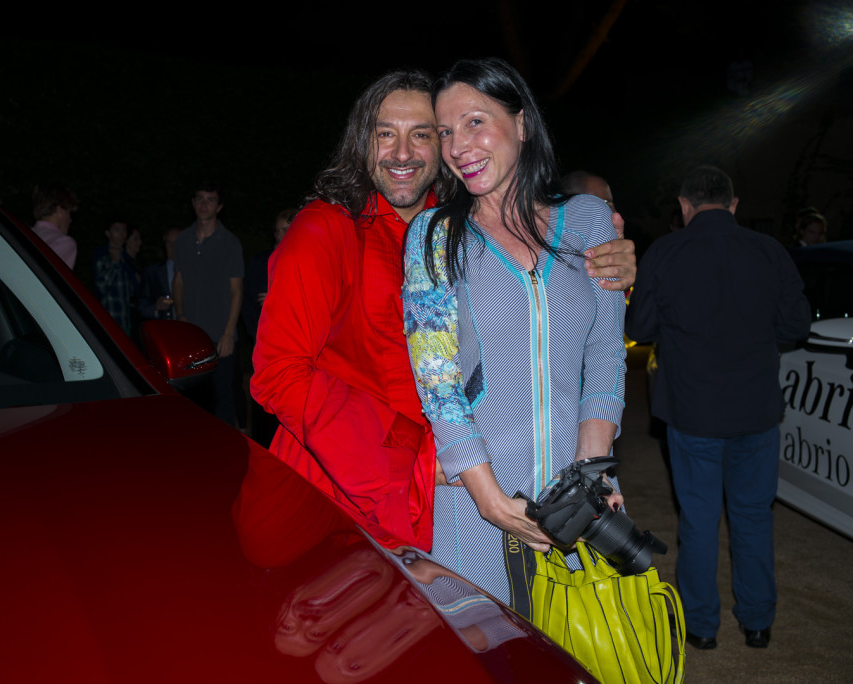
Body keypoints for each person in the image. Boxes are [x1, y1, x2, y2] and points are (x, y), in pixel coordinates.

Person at [250, 67, 636, 552]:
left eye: (425, 135)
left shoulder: (454, 229)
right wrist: (412, 461)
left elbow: (551, 323)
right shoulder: (323, 231)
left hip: (440, 497)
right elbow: (279, 374)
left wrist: (610, 269)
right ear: (360, 142)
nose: (403, 153)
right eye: (385, 134)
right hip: (339, 496)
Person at [402, 58, 627, 606]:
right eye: (446, 133)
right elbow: (439, 381)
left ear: (521, 123)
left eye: (475, 122)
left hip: (583, 499)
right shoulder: (434, 236)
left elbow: (603, 350)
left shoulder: (589, 220)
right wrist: (490, 499)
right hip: (476, 507)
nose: (458, 147)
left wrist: (593, 468)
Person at [625, 165, 811, 650]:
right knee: (753, 515)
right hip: (755, 409)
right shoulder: (770, 251)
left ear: (685, 208)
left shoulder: (665, 252)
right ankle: (757, 622)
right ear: (733, 205)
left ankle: (701, 627)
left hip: (693, 411)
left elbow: (640, 328)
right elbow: (795, 322)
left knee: (699, 518)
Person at [173, 181, 244, 426]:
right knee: (192, 400)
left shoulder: (230, 242)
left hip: (219, 336)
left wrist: (228, 333)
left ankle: (229, 456)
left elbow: (237, 291)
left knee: (222, 398)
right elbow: (179, 280)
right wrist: (180, 314)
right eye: (200, 198)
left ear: (219, 206)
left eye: (210, 199)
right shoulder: (182, 240)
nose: (204, 204)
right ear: (193, 203)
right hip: (191, 335)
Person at [243, 208, 298, 447]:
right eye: (277, 231)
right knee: (263, 402)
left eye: (286, 229)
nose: (280, 235)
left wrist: (277, 298)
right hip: (265, 343)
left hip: (295, 346)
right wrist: (255, 337)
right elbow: (247, 304)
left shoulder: (304, 259)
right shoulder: (259, 263)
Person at [92, 220, 139, 334]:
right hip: (108, 321)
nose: (121, 234)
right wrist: (114, 263)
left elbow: (132, 292)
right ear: (108, 233)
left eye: (124, 230)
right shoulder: (102, 255)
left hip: (125, 321)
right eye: (117, 230)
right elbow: (101, 287)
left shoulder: (126, 258)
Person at [30, 183, 78, 269]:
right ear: (59, 211)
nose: (70, 220)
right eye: (68, 212)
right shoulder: (64, 243)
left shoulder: (23, 234)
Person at [140, 228, 182, 320]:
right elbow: (141, 306)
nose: (173, 247)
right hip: (163, 328)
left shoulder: (196, 271)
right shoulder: (152, 272)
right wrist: (155, 307)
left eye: (177, 243)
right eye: (169, 243)